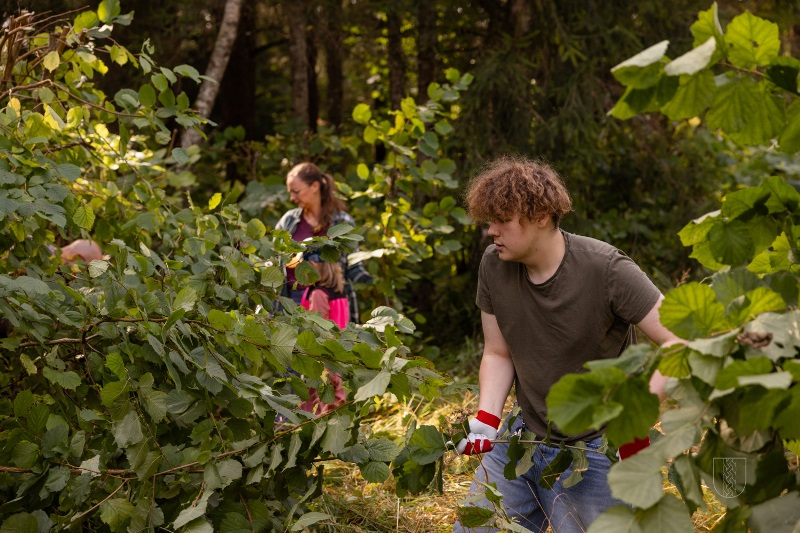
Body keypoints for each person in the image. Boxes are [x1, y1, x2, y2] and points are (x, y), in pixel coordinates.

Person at [453, 156, 679, 533]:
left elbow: (679, 341)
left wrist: (635, 425)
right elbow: (497, 352)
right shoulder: (494, 266)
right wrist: (488, 420)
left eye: (502, 220)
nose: (490, 231)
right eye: (488, 220)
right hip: (521, 439)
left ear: (540, 215)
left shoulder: (607, 269)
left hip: (597, 454)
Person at [275, 162, 371, 324]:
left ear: (314, 186)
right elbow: (274, 259)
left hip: (329, 302)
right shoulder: (289, 221)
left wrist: (373, 285)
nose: (292, 198)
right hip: (290, 302)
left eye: (296, 192)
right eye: (290, 192)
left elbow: (354, 265)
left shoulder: (341, 221)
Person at [297, 248, 349, 415]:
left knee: (320, 404)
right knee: (332, 398)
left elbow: (316, 327)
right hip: (336, 353)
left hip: (321, 356)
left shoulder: (319, 293)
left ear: (314, 266)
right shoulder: (338, 290)